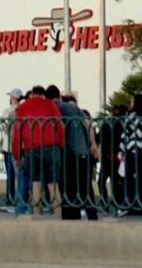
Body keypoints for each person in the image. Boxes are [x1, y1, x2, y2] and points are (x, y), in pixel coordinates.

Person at [12, 85, 63, 216]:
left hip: (31, 148)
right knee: (53, 184)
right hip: (51, 146)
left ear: (32, 94)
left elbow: (16, 134)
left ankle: (37, 214)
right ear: (43, 95)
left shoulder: (21, 108)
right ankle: (58, 216)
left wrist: (16, 155)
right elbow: (59, 126)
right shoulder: (50, 105)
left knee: (36, 183)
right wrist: (60, 146)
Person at [49, 87, 98, 220]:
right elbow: (87, 124)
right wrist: (93, 143)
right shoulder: (73, 108)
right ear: (59, 96)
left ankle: (71, 216)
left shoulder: (51, 109)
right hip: (81, 151)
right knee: (85, 186)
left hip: (63, 154)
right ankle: (92, 215)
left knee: (66, 187)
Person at [0, 88, 22, 212]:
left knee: (10, 174)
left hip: (8, 146)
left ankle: (10, 198)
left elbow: (3, 127)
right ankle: (20, 199)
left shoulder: (8, 110)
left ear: (13, 98)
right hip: (20, 146)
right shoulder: (23, 109)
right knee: (19, 174)